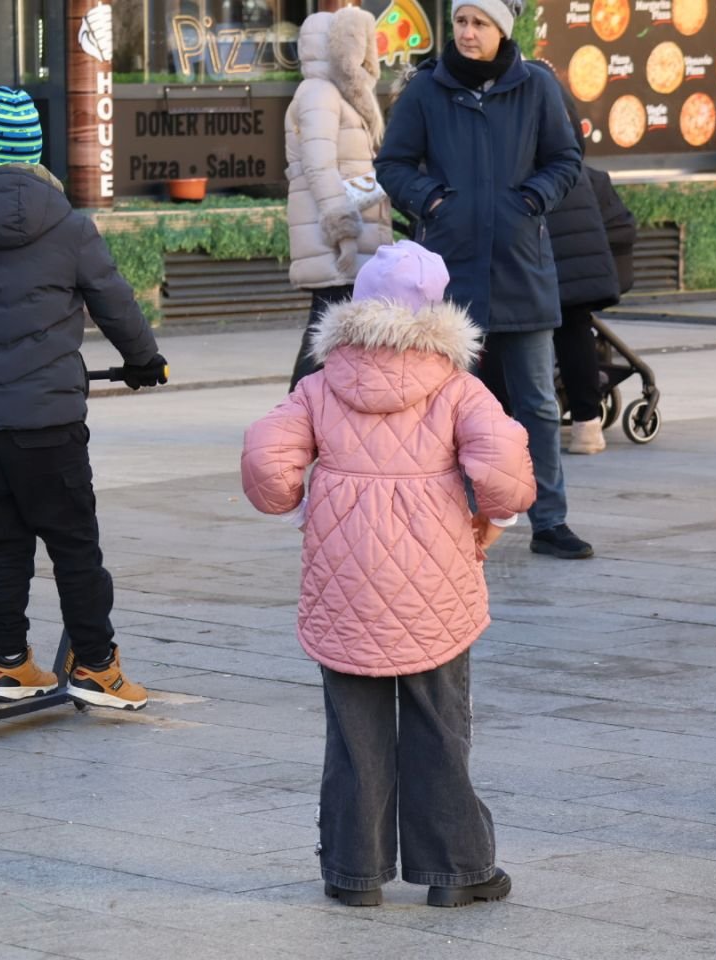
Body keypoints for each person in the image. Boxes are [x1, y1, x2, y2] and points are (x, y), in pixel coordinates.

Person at [241, 240, 534, 907]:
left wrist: (293, 492)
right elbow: (507, 471)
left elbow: (267, 460)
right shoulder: (459, 386)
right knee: (439, 723)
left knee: (353, 730)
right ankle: (457, 870)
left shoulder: (319, 385)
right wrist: (496, 509)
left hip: (345, 584)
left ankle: (355, 872)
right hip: (435, 583)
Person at [0, 87, 168, 710]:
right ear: (33, 153)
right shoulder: (68, 225)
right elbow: (115, 301)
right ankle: (98, 666)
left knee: (6, 543)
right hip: (51, 419)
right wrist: (144, 360)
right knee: (75, 544)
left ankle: (10, 663)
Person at [376, 0, 588, 559]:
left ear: (502, 30)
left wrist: (532, 199)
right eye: (462, 22)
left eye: (480, 23)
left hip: (523, 266)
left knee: (538, 402)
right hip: (450, 270)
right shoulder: (426, 90)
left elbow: (566, 158)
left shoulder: (537, 87)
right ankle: (457, 516)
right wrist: (433, 202)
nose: (467, 33)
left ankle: (549, 520)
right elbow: (392, 164)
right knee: (450, 405)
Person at [284, 6, 391, 389]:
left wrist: (377, 199)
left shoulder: (337, 95)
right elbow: (320, 167)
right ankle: (292, 422)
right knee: (325, 329)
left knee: (334, 331)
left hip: (347, 234)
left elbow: (353, 171)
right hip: (331, 239)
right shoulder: (319, 94)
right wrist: (343, 230)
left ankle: (307, 421)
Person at [545, 82, 633, 456]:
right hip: (580, 263)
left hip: (547, 252)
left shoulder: (518, 100)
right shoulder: (580, 169)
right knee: (574, 327)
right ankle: (586, 425)